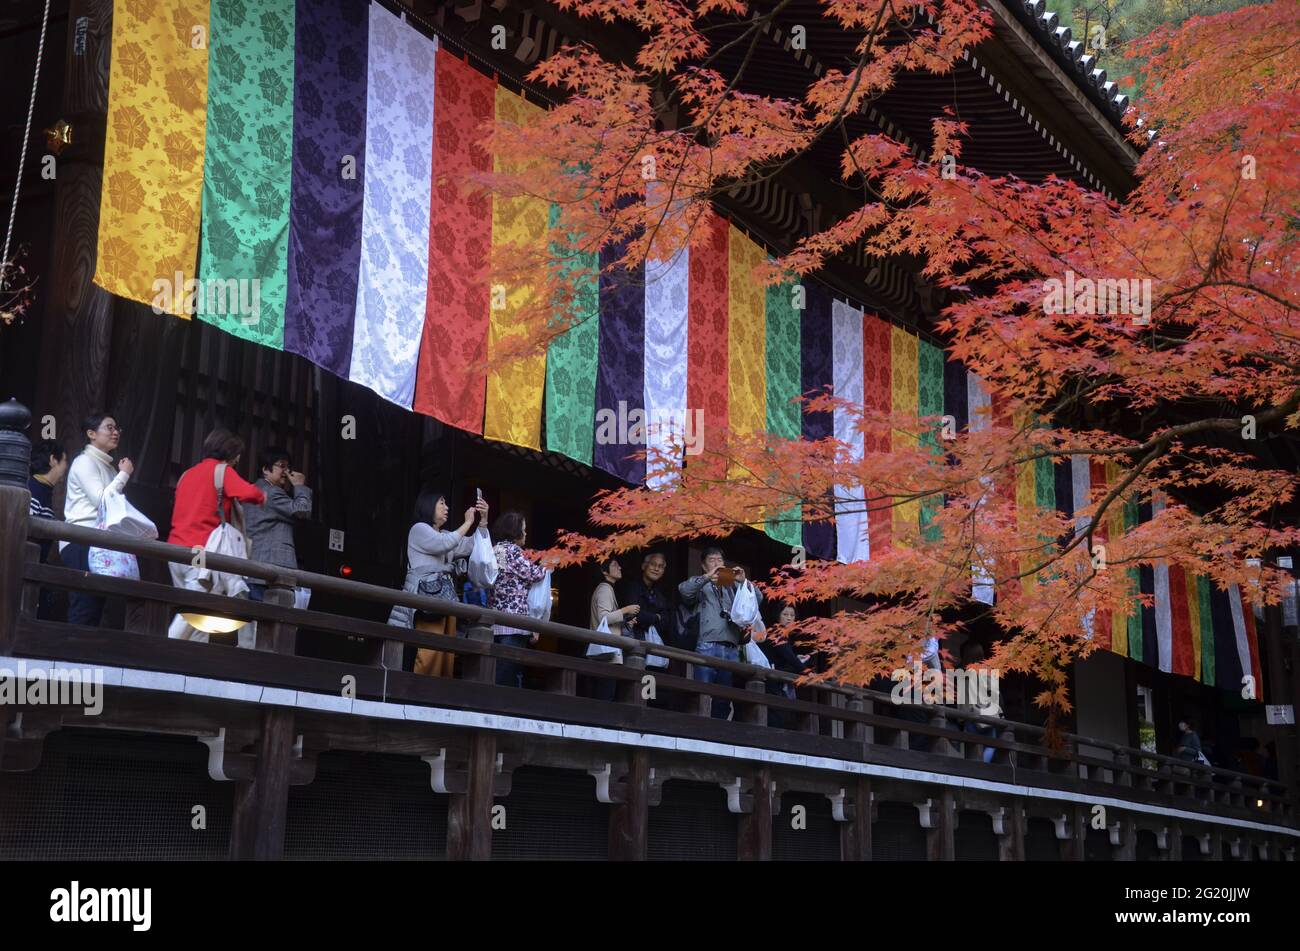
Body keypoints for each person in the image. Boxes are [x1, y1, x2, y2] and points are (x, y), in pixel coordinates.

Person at [166, 430, 266, 643]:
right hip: (199, 552)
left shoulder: (187, 474)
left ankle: (188, 669)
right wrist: (263, 495)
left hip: (174, 549)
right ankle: (159, 652)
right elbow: (251, 493)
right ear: (232, 453)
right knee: (194, 609)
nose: (238, 459)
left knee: (200, 614)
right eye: (238, 455)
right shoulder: (222, 471)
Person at [388, 490, 490, 677]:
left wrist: (482, 522)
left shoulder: (445, 534)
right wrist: (467, 522)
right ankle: (420, 694)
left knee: (446, 652)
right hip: (427, 598)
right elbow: (443, 543)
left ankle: (438, 695)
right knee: (430, 651)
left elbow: (470, 546)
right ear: (428, 506)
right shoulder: (419, 529)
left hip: (443, 597)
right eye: (441, 503)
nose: (447, 507)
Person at [62, 413, 133, 626]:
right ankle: (70, 656)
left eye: (117, 428)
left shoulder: (109, 467)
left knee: (96, 605)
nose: (115, 432)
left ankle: (81, 657)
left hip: (98, 541)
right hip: (81, 539)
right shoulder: (84, 461)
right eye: (109, 428)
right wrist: (124, 475)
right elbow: (102, 500)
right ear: (91, 434)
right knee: (85, 604)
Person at [678, 547, 761, 719]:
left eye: (720, 560)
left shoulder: (731, 584)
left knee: (724, 696)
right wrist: (707, 577)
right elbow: (684, 591)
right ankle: (699, 728)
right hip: (706, 643)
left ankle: (719, 731)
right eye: (711, 560)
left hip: (730, 647)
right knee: (702, 691)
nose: (716, 563)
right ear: (703, 565)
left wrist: (743, 581)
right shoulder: (701, 584)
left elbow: (757, 598)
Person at [244, 446, 312, 603]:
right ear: (265, 470)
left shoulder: (255, 489)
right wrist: (300, 486)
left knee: (252, 622)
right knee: (273, 621)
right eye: (282, 466)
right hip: (270, 569)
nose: (287, 472)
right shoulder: (272, 492)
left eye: (288, 467)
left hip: (256, 568)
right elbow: (302, 511)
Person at [489, 511, 547, 689]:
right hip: (513, 620)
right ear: (515, 531)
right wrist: (547, 564)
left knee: (497, 667)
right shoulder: (513, 550)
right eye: (524, 529)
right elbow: (534, 574)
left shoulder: (495, 548)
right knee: (509, 671)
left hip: (496, 617)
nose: (526, 533)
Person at [589, 557, 640, 701]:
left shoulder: (607, 588)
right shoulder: (605, 589)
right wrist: (625, 610)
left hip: (607, 651)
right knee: (605, 694)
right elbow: (603, 618)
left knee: (605, 692)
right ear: (605, 571)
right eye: (615, 565)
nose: (620, 568)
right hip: (607, 651)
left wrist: (625, 623)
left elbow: (608, 621)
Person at [28, 439, 68, 619]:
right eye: (65, 461)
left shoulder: (42, 490)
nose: (66, 466)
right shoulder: (33, 490)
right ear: (53, 460)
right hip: (23, 568)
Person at [957, 640, 1000, 764]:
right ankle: (982, 766)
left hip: (968, 716)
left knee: (970, 746)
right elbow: (993, 694)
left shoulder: (961, 673)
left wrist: (961, 718)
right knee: (991, 745)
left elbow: (961, 699)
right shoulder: (986, 672)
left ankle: (973, 767)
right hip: (985, 714)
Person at [619, 551, 672, 646]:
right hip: (633, 639)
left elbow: (666, 620)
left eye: (660, 566)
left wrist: (648, 617)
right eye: (653, 564)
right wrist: (656, 617)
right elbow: (634, 615)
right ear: (644, 566)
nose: (656, 569)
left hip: (652, 641)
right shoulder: (633, 587)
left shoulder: (659, 594)